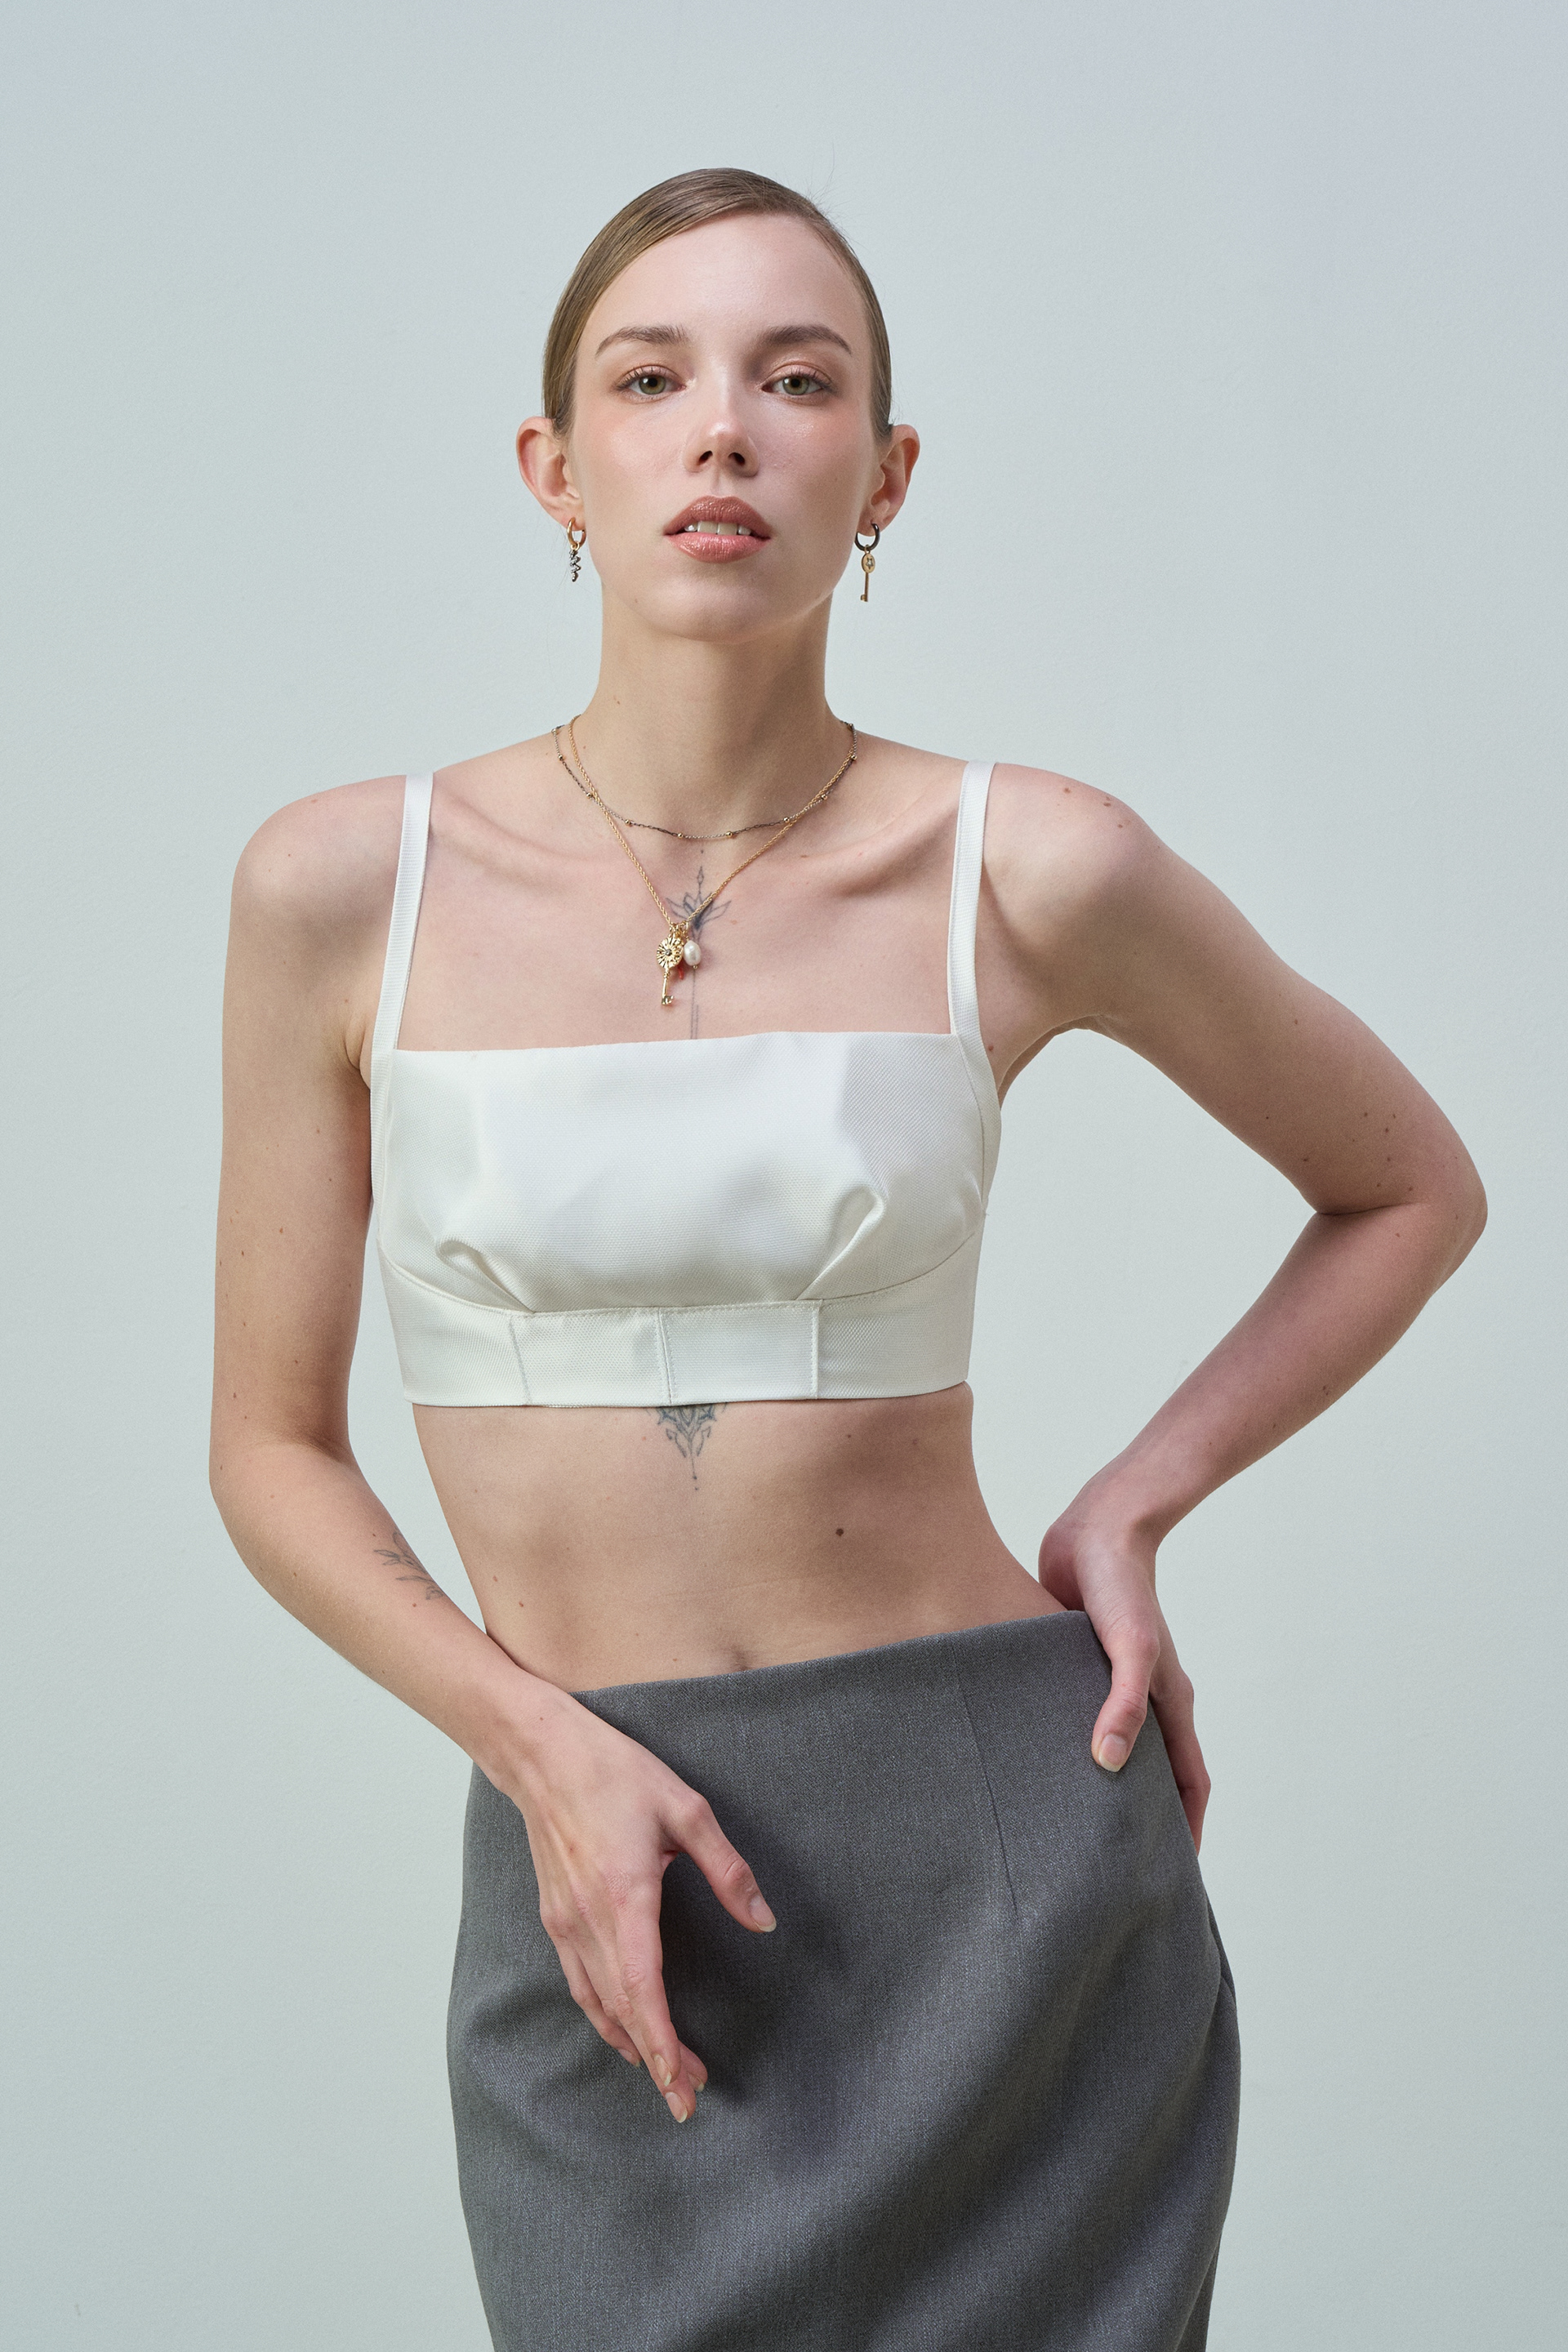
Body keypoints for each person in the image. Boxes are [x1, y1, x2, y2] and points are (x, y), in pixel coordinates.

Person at [210, 168, 1486, 2352]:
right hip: (602, 1848)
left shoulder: (1028, 866)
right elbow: (268, 1448)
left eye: (798, 382)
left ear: (884, 477)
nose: (724, 427)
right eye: (652, 379)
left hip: (1005, 1854)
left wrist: (1130, 1504)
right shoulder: (343, 888)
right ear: (554, 467)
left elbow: (1408, 1188)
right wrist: (535, 1748)